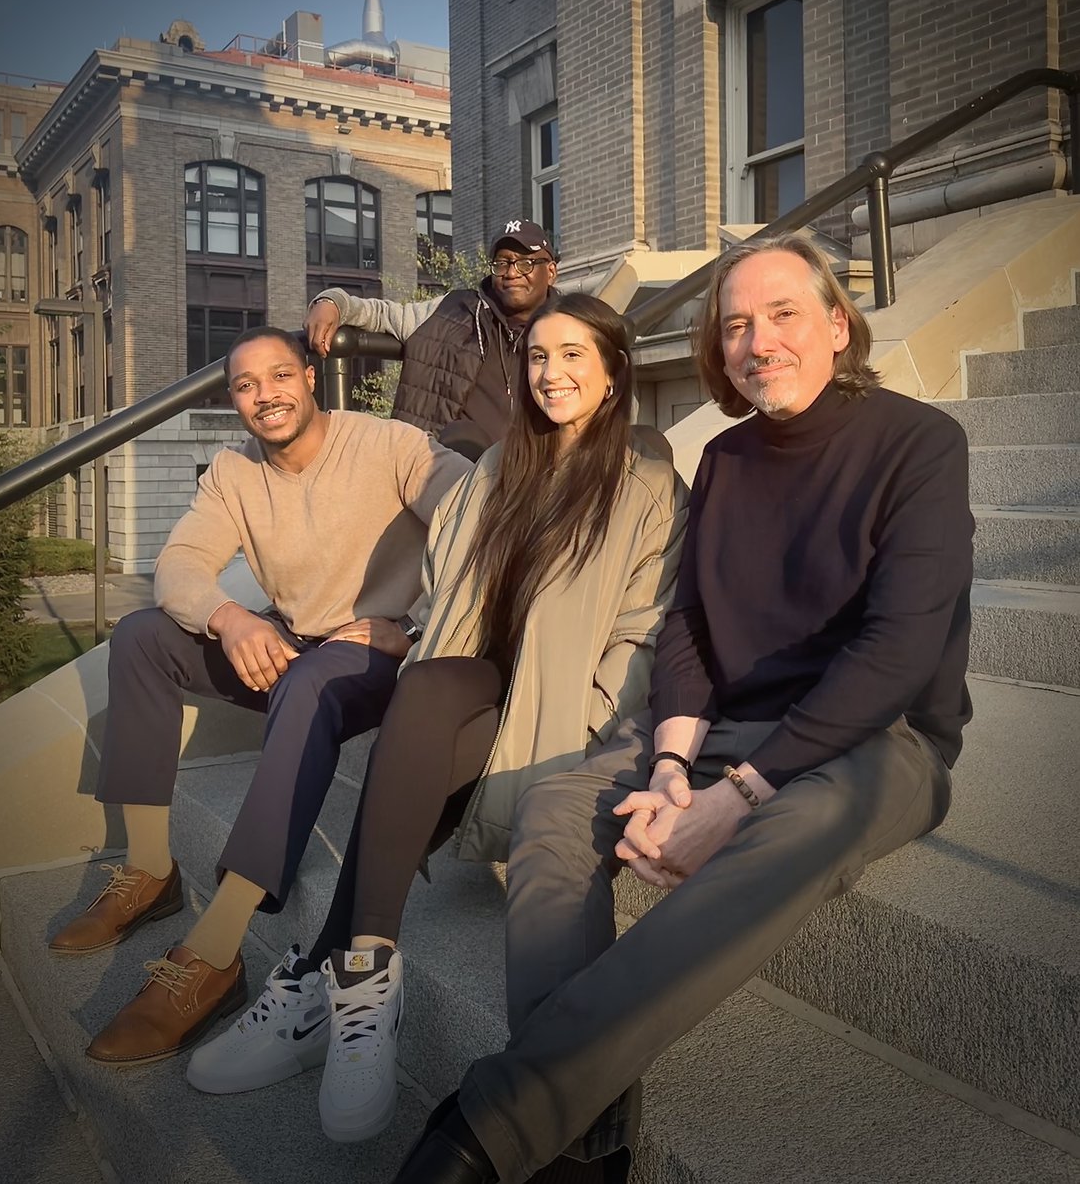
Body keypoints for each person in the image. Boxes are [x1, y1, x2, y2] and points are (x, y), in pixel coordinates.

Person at [388, 235, 975, 1183]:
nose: (758, 341)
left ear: (837, 326)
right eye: (735, 323)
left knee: (803, 827)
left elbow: (898, 653)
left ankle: (495, 1121)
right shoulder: (729, 457)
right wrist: (669, 766)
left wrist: (736, 795)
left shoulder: (919, 445)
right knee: (553, 807)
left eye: (783, 315)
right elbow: (693, 625)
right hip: (732, 730)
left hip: (881, 740)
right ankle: (586, 1146)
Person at [185, 293, 688, 1150]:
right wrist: (404, 632)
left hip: (554, 710)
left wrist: (579, 729)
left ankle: (318, 978)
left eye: (574, 356)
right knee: (421, 696)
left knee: (412, 746)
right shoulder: (496, 468)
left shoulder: (650, 489)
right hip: (469, 687)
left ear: (612, 375)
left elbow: (642, 638)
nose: (551, 373)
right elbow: (449, 594)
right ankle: (370, 983)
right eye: (537, 357)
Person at [48, 327, 470, 1068]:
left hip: (377, 659)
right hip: (295, 645)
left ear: (310, 378)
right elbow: (179, 563)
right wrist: (229, 616)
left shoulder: (390, 445)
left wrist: (420, 624)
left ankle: (214, 954)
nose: (265, 395)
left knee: (308, 681)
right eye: (246, 385)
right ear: (235, 399)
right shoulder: (235, 473)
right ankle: (151, 869)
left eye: (279, 376)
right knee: (144, 635)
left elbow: (483, 520)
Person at [304, 220, 560, 458]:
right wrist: (331, 302)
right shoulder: (453, 311)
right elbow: (381, 314)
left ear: (550, 272)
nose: (512, 272)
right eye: (502, 263)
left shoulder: (572, 326)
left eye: (525, 263)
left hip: (543, 478)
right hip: (455, 479)